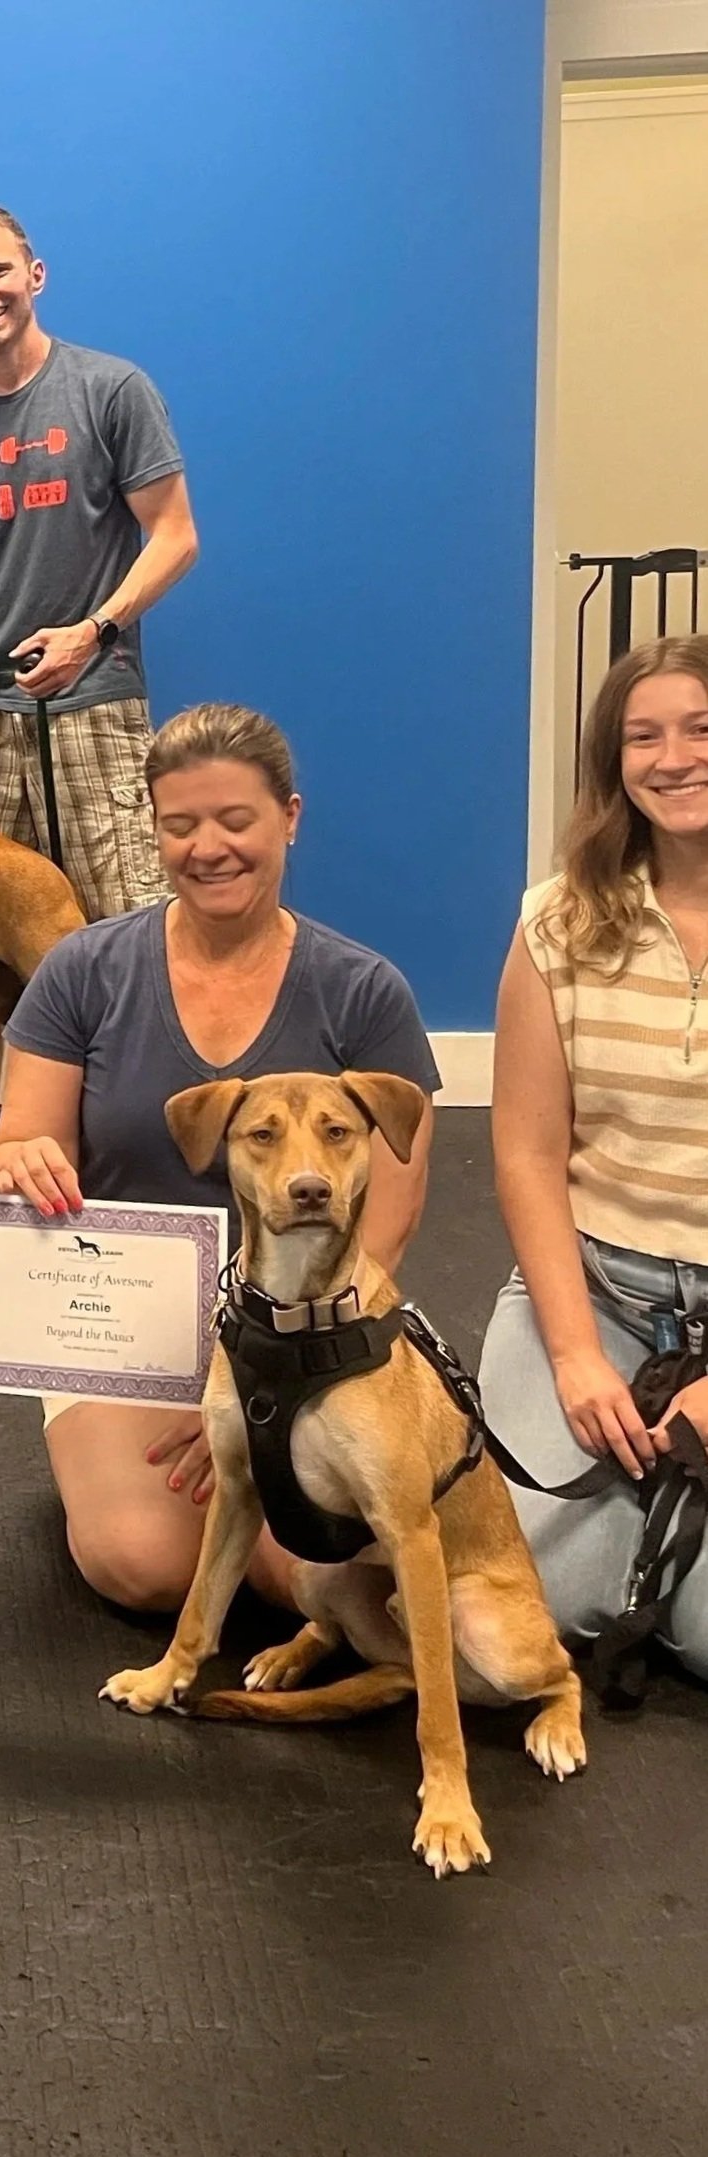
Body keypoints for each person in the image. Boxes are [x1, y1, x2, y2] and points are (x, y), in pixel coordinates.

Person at [0, 703, 439, 1613]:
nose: (209, 847)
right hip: (125, 1325)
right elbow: (15, 1141)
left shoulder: (363, 990)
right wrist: (22, 1159)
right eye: (180, 825)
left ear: (290, 819)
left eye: (236, 821)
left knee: (317, 1572)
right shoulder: (83, 970)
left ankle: (272, 1539)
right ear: (153, 829)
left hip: (305, 1322)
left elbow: (389, 1212)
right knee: (143, 1564)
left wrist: (274, 1373)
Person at [0, 203, 201, 1187]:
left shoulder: (110, 389)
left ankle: (127, 1109)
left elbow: (174, 535)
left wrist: (93, 629)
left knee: (124, 914)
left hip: (93, 695)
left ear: (35, 274)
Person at [481, 635, 708, 1673]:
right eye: (641, 736)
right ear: (610, 764)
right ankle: (651, 1548)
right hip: (597, 1292)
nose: (673, 757)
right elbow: (526, 1156)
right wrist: (572, 1356)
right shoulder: (556, 920)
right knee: (527, 1609)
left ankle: (665, 1562)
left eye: (699, 727)